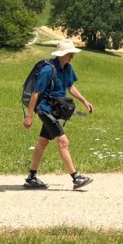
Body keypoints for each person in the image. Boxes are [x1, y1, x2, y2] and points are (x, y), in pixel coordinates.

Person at [23, 40, 95, 189]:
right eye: (70, 54)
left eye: (72, 54)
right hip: (45, 110)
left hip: (55, 110)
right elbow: (36, 93)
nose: (72, 57)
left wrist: (84, 101)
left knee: (43, 142)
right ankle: (76, 178)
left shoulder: (67, 68)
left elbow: (70, 86)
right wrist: (29, 116)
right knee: (63, 142)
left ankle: (31, 177)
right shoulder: (48, 70)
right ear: (62, 54)